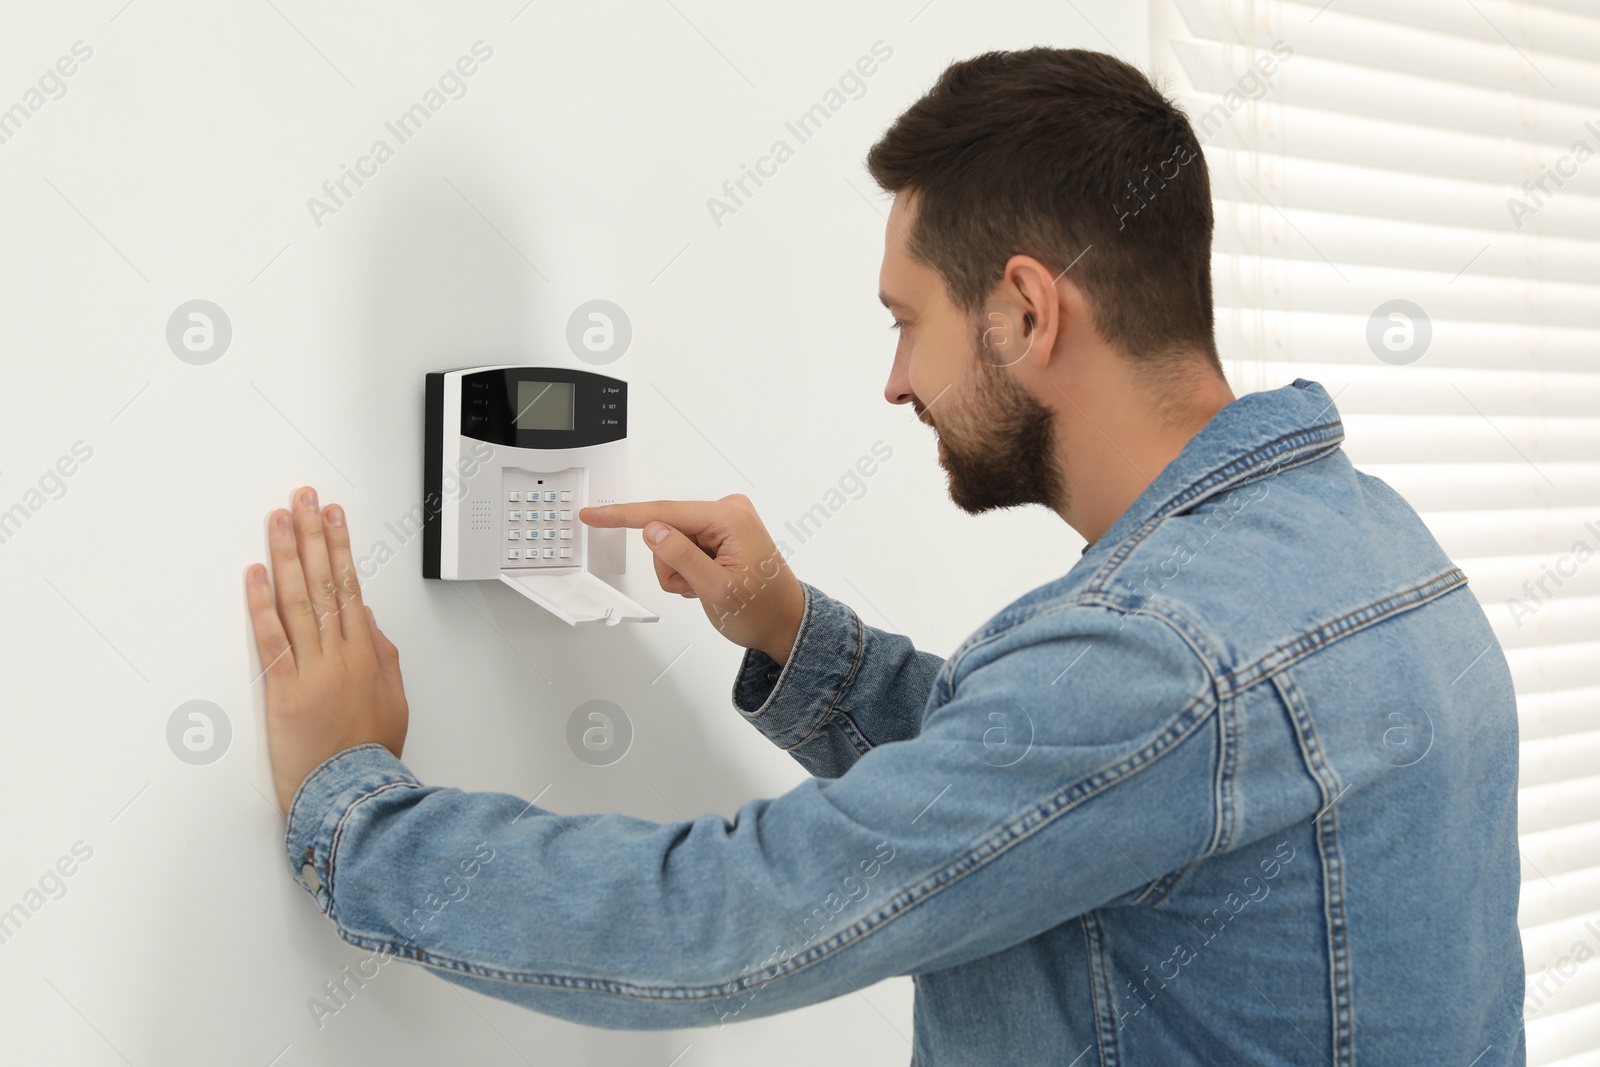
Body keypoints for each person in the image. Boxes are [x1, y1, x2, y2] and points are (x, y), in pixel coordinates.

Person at [244, 47, 1525, 1065]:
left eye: (908, 321)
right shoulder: (1366, 543)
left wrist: (355, 812)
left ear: (1027, 310)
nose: (895, 380)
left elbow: (732, 921)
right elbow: (1076, 791)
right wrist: (797, 637)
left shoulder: (1157, 656)